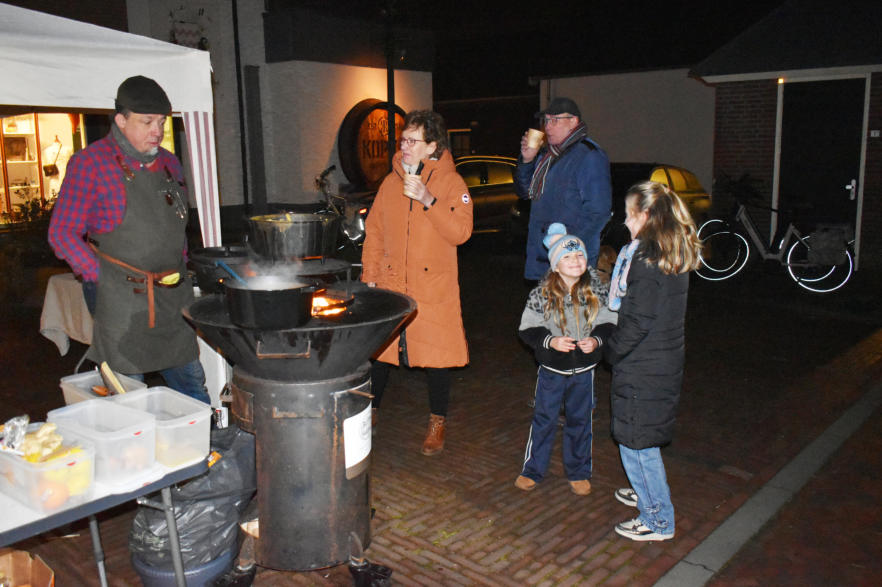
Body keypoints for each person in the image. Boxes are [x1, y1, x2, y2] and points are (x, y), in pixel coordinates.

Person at [48, 75, 209, 404]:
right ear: (121, 120)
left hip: (171, 296)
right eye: (147, 122)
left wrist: (181, 263)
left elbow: (175, 226)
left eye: (161, 122)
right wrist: (98, 275)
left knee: (192, 390)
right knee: (127, 398)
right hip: (120, 298)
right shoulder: (90, 164)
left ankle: (200, 434)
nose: (157, 131)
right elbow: (61, 233)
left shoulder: (169, 163)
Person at [361, 110, 473, 456]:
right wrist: (370, 277)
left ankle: (437, 421)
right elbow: (374, 232)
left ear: (432, 146)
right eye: (403, 140)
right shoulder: (390, 183)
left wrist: (428, 200)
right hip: (393, 282)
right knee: (380, 354)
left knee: (437, 357)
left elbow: (461, 232)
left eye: (413, 141)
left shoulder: (452, 183)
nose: (404, 147)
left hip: (433, 286)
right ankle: (370, 413)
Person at [602, 181, 702, 541]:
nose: (625, 222)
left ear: (646, 216)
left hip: (644, 364)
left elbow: (637, 322)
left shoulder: (646, 260)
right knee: (643, 435)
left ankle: (658, 519)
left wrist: (609, 351)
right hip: (661, 361)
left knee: (636, 442)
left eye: (630, 215)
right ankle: (646, 489)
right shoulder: (667, 252)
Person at [516, 223, 617, 495]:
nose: (576, 260)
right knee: (544, 419)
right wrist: (550, 341)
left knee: (580, 421)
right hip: (552, 370)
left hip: (584, 371)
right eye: (568, 256)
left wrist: (596, 340)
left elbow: (610, 319)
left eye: (580, 255)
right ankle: (533, 469)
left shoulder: (596, 289)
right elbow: (527, 327)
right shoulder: (542, 292)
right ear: (556, 264)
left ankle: (578, 471)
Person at [515, 96, 612, 281]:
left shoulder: (588, 156)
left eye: (555, 120)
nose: (548, 127)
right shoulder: (547, 155)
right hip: (543, 258)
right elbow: (524, 192)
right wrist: (527, 160)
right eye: (546, 121)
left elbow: (598, 213)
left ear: (573, 121)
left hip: (571, 263)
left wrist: (568, 250)